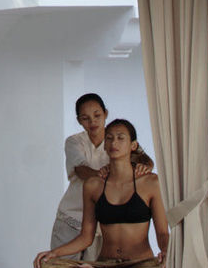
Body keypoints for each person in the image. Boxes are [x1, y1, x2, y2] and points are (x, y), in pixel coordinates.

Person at [33, 117, 168, 268]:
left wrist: (166, 252)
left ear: (133, 145)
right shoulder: (93, 185)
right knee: (46, 267)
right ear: (104, 145)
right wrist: (54, 253)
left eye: (120, 138)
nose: (114, 143)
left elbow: (163, 233)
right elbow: (86, 237)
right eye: (109, 138)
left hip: (140, 265)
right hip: (105, 264)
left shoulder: (150, 183)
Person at [48, 92, 151, 251]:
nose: (92, 122)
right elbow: (81, 170)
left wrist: (144, 168)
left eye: (97, 115)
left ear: (106, 113)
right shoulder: (75, 142)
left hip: (103, 224)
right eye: (85, 118)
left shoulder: (117, 138)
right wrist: (104, 174)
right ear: (78, 120)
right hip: (72, 217)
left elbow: (145, 159)